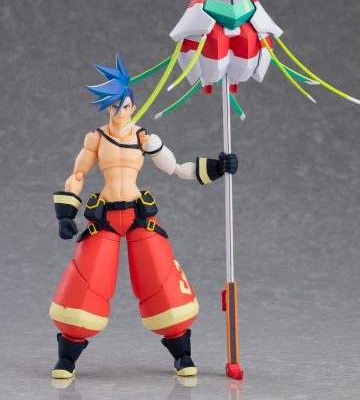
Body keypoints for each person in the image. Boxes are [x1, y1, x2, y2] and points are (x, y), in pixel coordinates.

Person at [50, 54, 238, 379]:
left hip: (139, 215)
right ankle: (67, 357)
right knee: (86, 282)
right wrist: (67, 214)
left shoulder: (144, 138)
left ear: (133, 107)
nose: (119, 112)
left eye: (124, 106)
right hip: (105, 216)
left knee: (161, 280)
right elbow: (77, 175)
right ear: (106, 109)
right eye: (114, 107)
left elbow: (176, 168)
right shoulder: (96, 138)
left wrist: (217, 167)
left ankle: (182, 354)